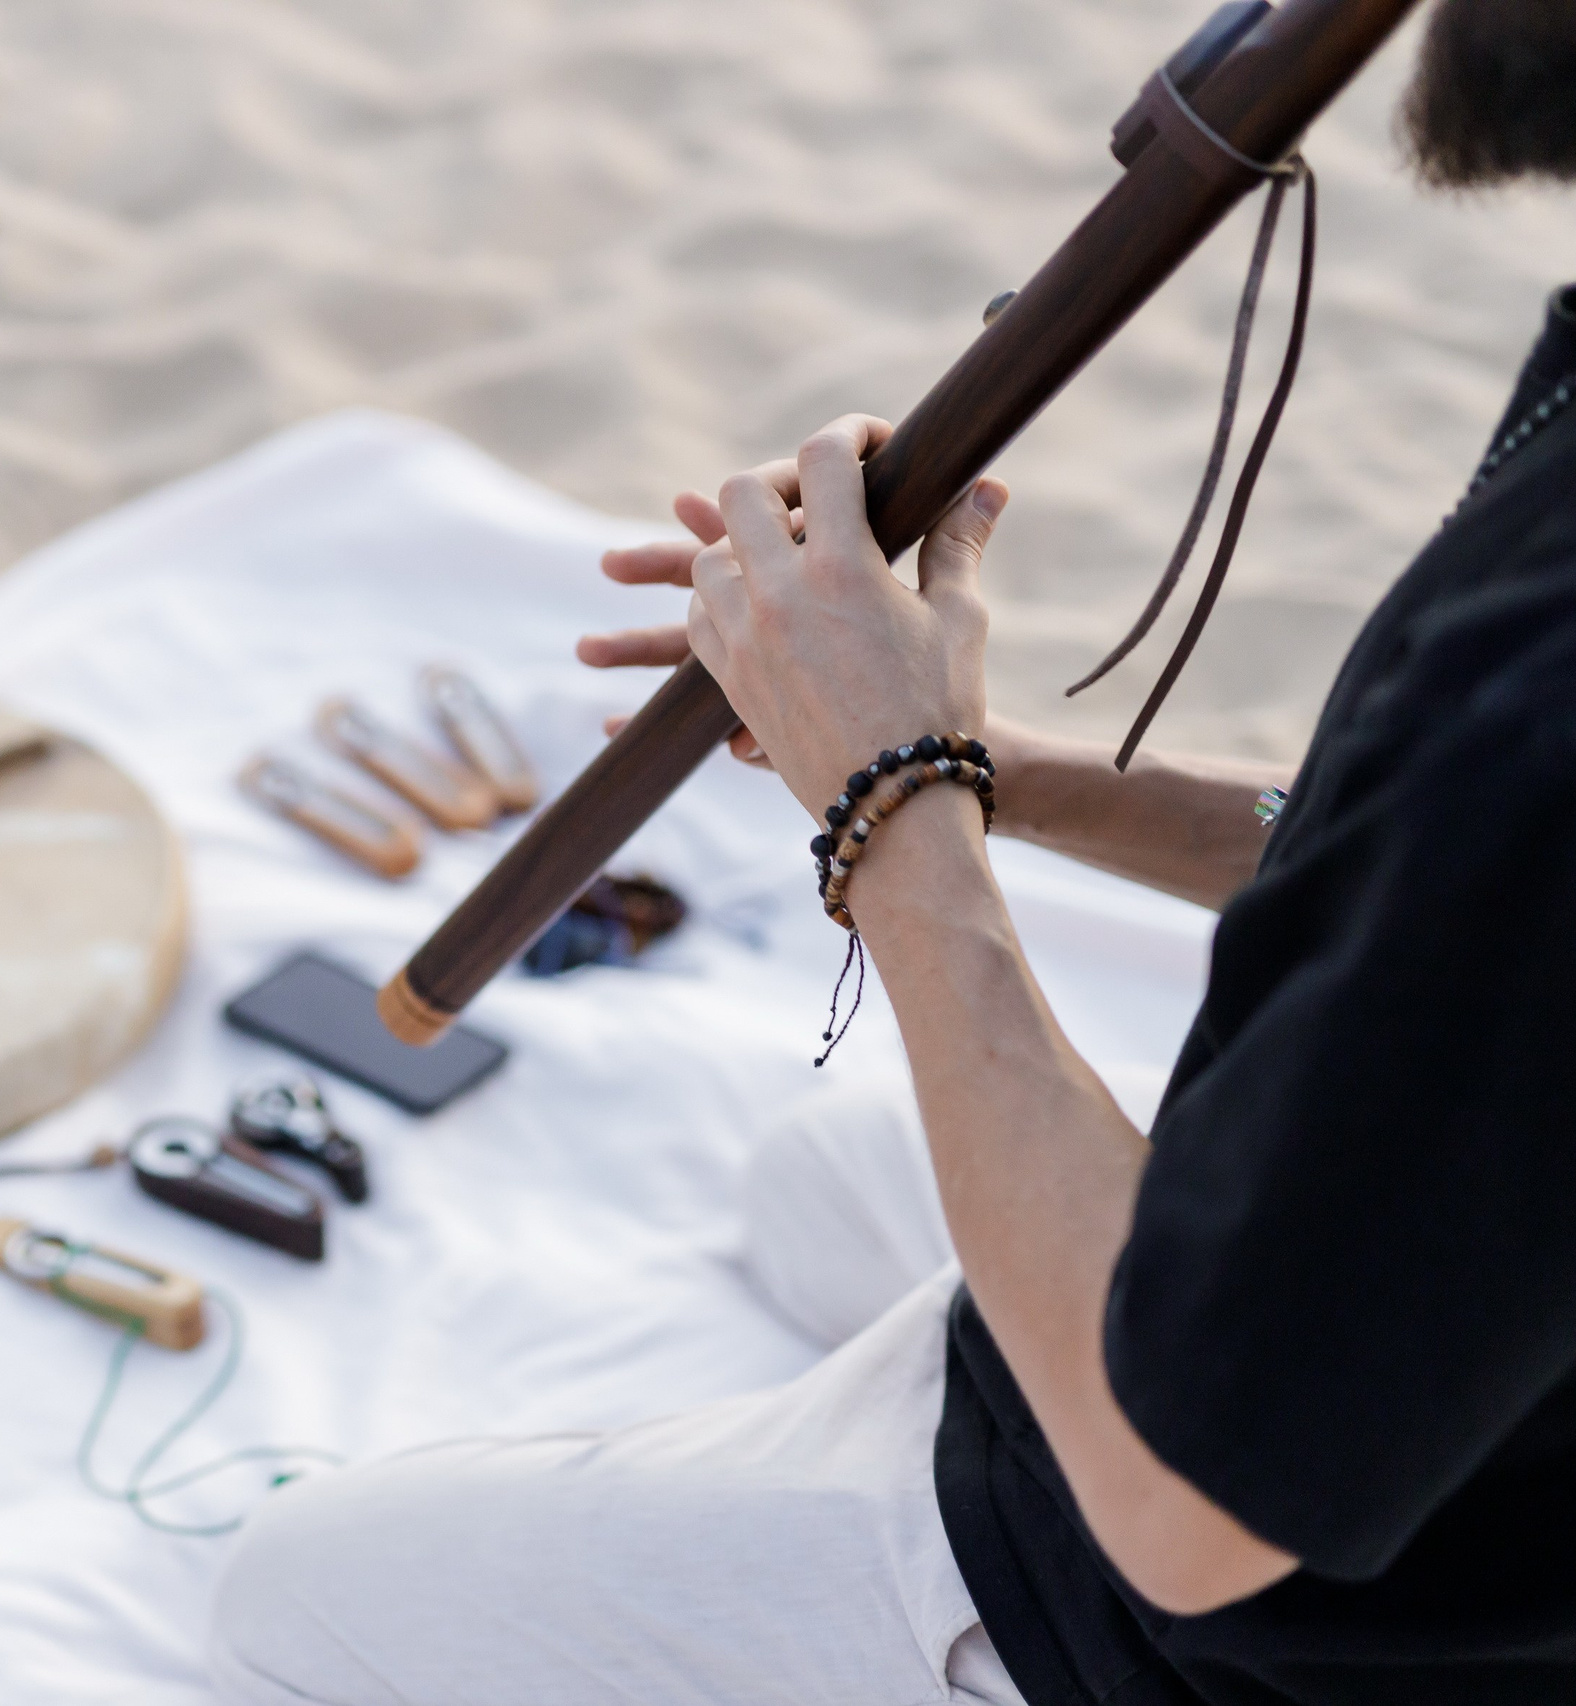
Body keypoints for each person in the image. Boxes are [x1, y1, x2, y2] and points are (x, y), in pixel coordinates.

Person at [207, 3, 1576, 1701]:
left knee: (290, 1595)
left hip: (1217, 1617)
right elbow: (1442, 872)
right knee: (808, 1179)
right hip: (1441, 1374)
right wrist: (989, 766)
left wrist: (898, 803)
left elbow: (1183, 1506)